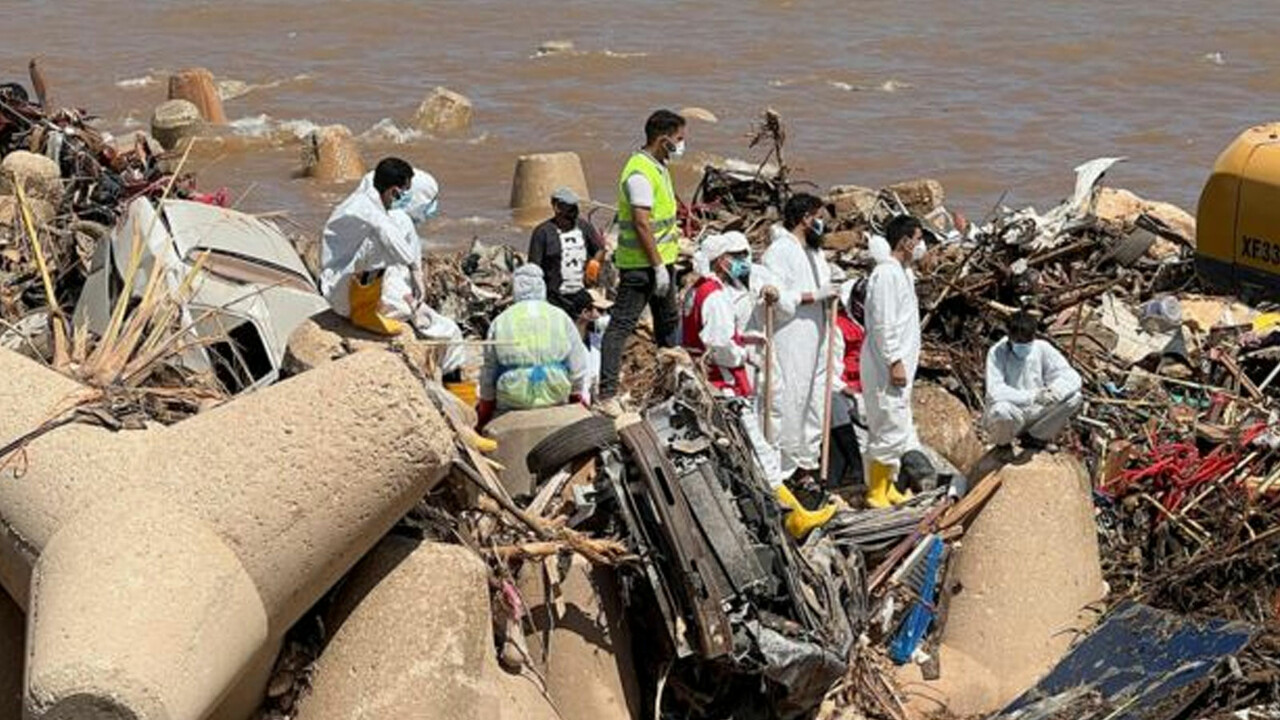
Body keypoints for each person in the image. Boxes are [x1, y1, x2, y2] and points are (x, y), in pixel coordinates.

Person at [683, 232, 836, 538]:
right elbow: (719, 345)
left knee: (756, 449)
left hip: (718, 379)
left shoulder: (699, 290)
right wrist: (745, 355)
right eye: (737, 256)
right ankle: (793, 518)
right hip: (724, 384)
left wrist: (750, 340)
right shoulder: (714, 296)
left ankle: (786, 512)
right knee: (761, 452)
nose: (744, 261)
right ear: (721, 260)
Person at [319, 156, 465, 375]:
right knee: (379, 241)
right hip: (345, 293)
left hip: (358, 286)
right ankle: (364, 312)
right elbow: (385, 237)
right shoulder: (366, 209)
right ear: (393, 191)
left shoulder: (379, 208)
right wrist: (414, 271)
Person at [597, 109, 688, 414]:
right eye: (679, 139)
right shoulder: (639, 173)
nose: (681, 145)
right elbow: (641, 223)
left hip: (664, 261)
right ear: (663, 140)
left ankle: (668, 383)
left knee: (668, 322)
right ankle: (607, 394)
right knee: (621, 325)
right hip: (641, 266)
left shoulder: (658, 166)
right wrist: (657, 267)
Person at [761, 193, 838, 479]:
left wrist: (829, 295)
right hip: (791, 337)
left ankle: (808, 464)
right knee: (791, 398)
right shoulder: (780, 251)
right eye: (819, 217)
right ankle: (784, 469)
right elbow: (774, 298)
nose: (823, 224)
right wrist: (812, 296)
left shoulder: (814, 253)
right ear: (806, 218)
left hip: (816, 335)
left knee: (814, 399)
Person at [861, 214, 927, 509]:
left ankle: (887, 486)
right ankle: (875, 491)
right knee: (888, 423)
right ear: (905, 241)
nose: (921, 245)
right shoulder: (886, 275)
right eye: (918, 238)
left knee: (897, 424)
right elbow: (882, 323)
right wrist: (893, 361)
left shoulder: (901, 272)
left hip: (899, 364)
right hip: (888, 366)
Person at [477, 265, 589, 428]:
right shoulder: (560, 316)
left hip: (513, 395)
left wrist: (485, 408)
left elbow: (489, 369)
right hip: (555, 391)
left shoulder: (501, 320)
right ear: (542, 287)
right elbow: (578, 365)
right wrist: (575, 395)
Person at [982, 310, 1083, 450]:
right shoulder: (997, 352)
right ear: (1010, 335)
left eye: (1026, 340)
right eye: (1018, 340)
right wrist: (1033, 396)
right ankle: (1003, 444)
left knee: (1075, 398)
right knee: (1001, 410)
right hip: (1013, 412)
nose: (1022, 344)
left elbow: (1070, 376)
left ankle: (1035, 438)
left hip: (1037, 412)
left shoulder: (1042, 348)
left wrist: (1055, 391)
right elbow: (995, 391)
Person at [527, 186, 606, 324]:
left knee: (584, 331)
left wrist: (593, 266)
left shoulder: (583, 227)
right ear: (557, 207)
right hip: (555, 298)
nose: (574, 213)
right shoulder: (542, 233)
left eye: (575, 208)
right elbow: (534, 269)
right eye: (569, 209)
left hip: (581, 294)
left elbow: (600, 249)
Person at [827, 278, 868, 488]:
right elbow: (830, 370)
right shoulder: (837, 328)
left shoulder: (868, 325)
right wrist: (847, 390)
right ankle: (855, 466)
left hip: (866, 388)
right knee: (836, 407)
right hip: (843, 389)